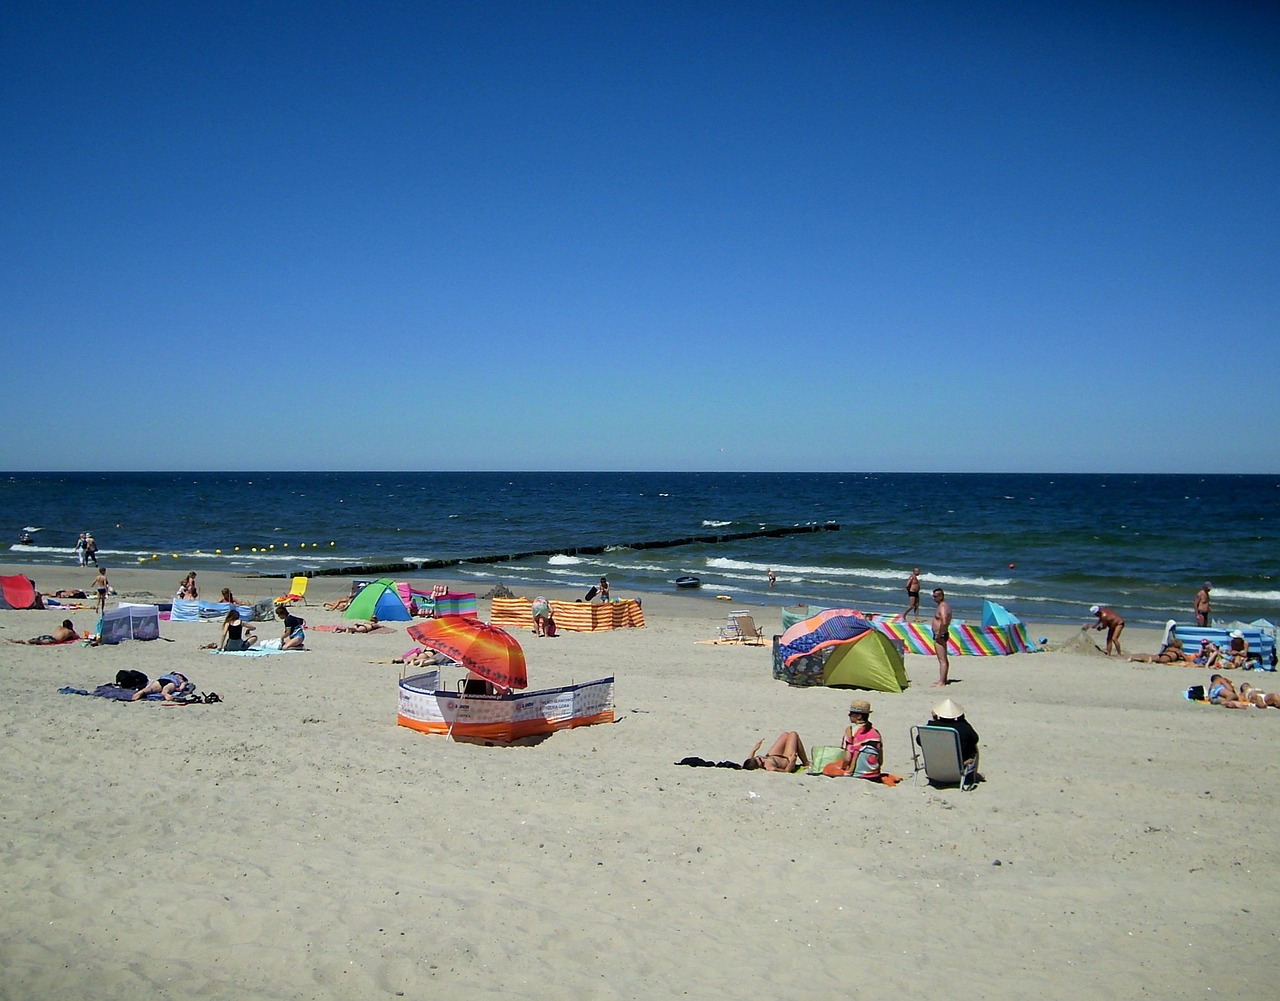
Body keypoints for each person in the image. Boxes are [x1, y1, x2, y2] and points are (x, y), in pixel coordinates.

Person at [830, 700, 883, 778]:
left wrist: (843, 768)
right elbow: (880, 761)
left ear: (859, 716)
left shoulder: (850, 731)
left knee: (830, 767)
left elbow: (847, 759)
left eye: (851, 713)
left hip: (856, 773)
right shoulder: (876, 732)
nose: (849, 715)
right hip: (874, 774)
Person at [922, 698, 979, 765]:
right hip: (958, 765)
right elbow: (975, 739)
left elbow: (920, 741)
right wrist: (962, 720)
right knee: (974, 748)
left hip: (934, 765)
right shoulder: (963, 727)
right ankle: (971, 774)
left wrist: (934, 720)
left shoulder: (931, 727)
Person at [742, 731, 810, 772]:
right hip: (787, 760)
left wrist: (755, 749)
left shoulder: (754, 761)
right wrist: (792, 762)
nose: (762, 759)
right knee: (793, 734)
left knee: (785, 735)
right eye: (762, 762)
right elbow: (786, 771)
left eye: (759, 757)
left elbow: (749, 759)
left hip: (773, 755)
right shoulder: (771, 768)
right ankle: (806, 762)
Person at [931, 588, 952, 687]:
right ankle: (943, 679)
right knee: (943, 658)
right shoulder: (943, 606)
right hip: (941, 634)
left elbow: (944, 621)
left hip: (941, 635)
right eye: (933, 596)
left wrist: (939, 634)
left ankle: (942, 681)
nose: (933, 598)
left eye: (935, 596)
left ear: (941, 596)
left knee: (942, 659)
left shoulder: (943, 607)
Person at [131, 671, 196, 702]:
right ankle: (165, 694)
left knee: (150, 689)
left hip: (161, 680)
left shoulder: (167, 675)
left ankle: (142, 692)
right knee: (166, 690)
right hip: (171, 683)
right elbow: (181, 688)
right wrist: (179, 688)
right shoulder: (182, 680)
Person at [7, 619, 78, 645]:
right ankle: (31, 641)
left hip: (49, 636)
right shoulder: (69, 631)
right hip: (53, 640)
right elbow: (76, 637)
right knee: (39, 642)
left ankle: (19, 641)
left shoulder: (59, 627)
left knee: (35, 640)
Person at [1128, 637, 1194, 664]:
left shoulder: (1169, 648)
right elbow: (1187, 659)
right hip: (1168, 657)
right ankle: (1150, 660)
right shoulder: (1179, 651)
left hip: (1162, 654)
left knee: (1149, 658)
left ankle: (1134, 658)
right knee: (1159, 661)